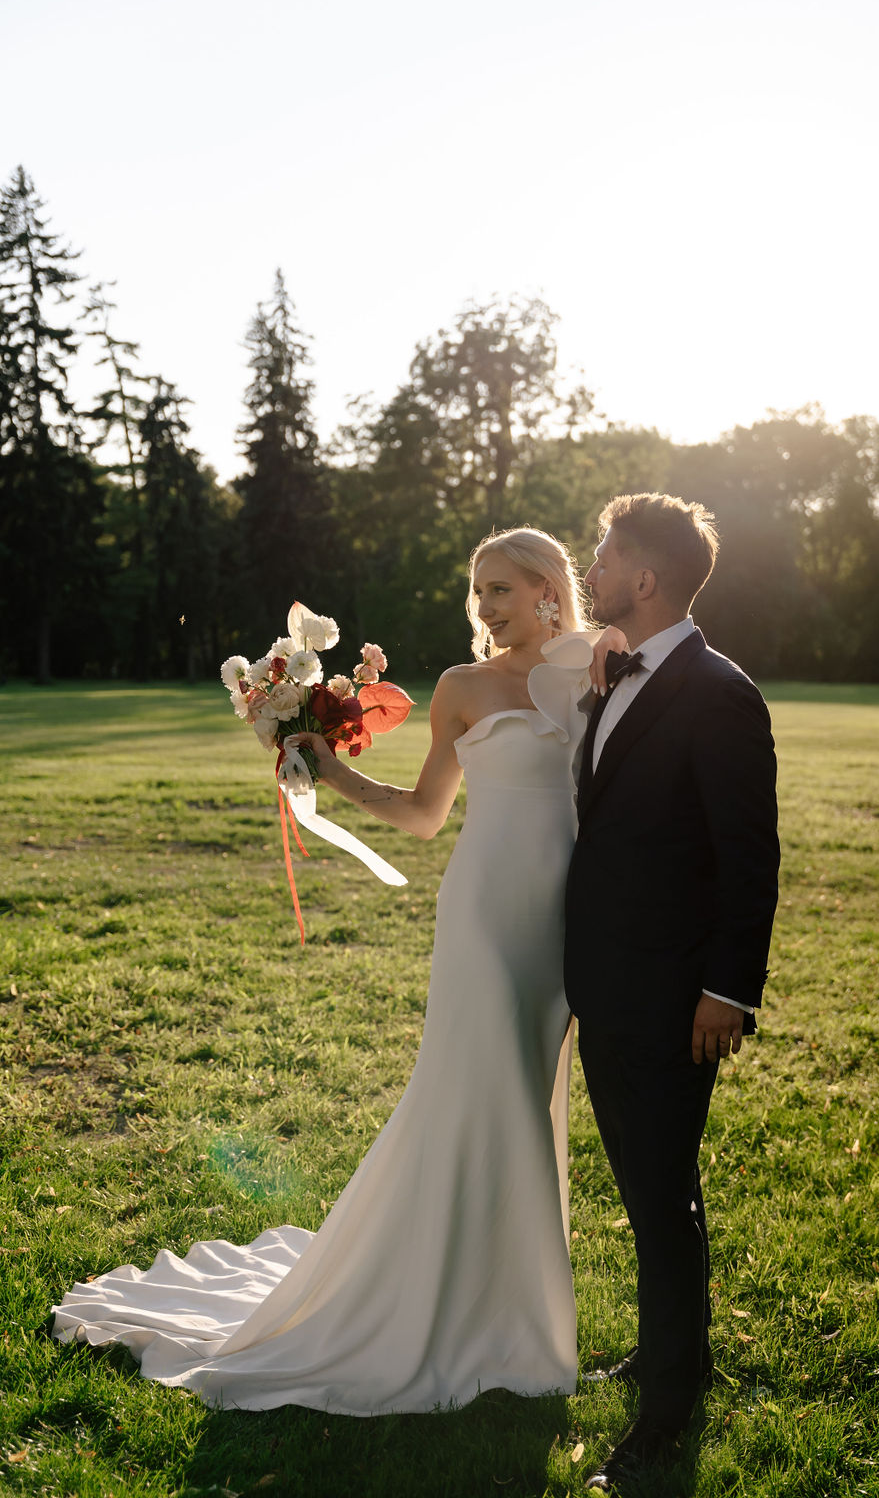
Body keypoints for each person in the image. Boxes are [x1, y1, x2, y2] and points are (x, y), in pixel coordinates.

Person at [52, 527, 602, 1416]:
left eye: (502, 589)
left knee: (528, 1103)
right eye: (478, 591)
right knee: (475, 1091)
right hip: (486, 917)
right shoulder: (461, 689)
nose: (486, 607)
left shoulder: (592, 675)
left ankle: (508, 1305)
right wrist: (325, 769)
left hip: (566, 923)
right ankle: (461, 1313)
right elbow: (425, 816)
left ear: (548, 588)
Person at [565, 492, 779, 1493]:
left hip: (672, 996)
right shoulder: (617, 671)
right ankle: (666, 1357)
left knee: (661, 1198)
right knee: (651, 1190)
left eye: (602, 558)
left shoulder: (719, 691)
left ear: (644, 578)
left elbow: (748, 857)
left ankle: (664, 1413)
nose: (590, 571)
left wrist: (727, 991)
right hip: (606, 983)